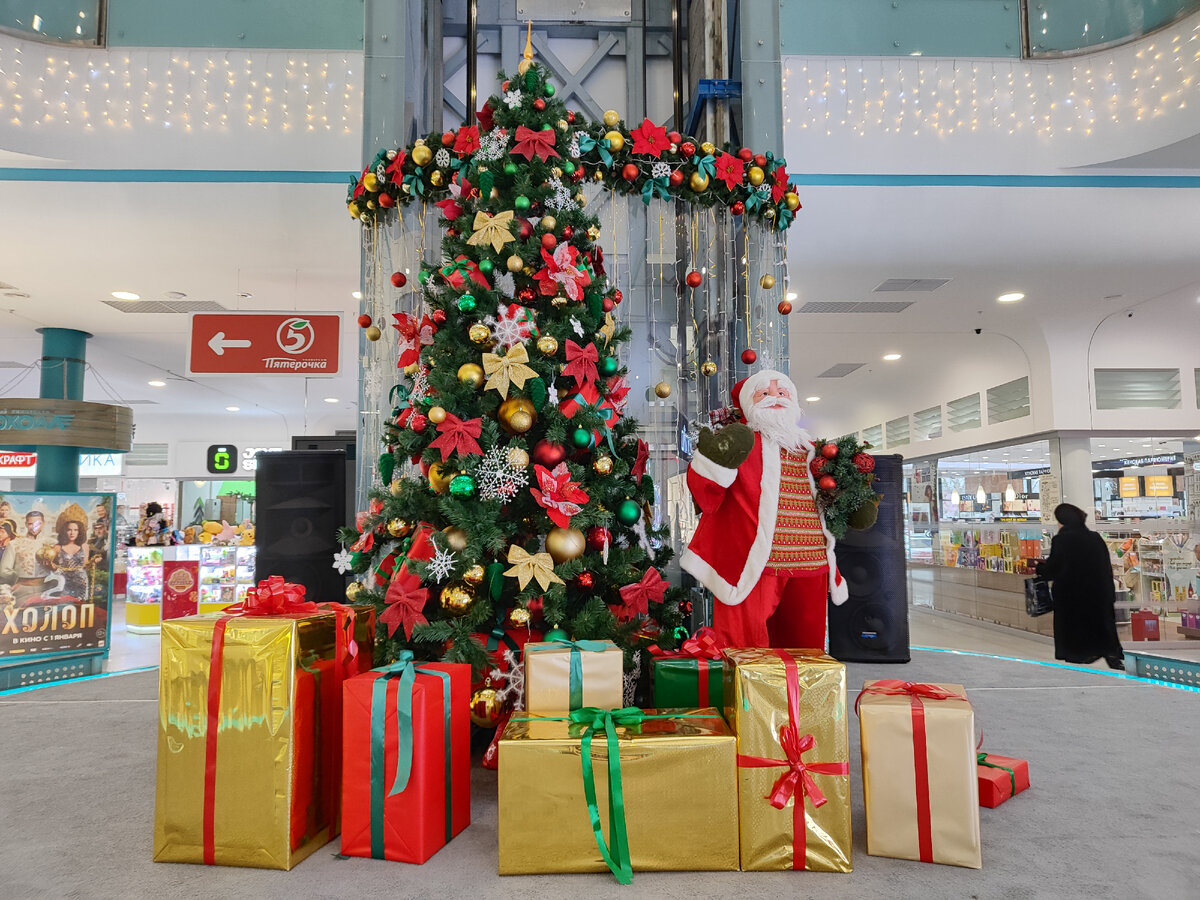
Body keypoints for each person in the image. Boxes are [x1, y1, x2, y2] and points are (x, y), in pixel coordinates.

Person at [681, 369, 847, 648]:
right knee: (743, 649)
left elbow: (836, 500)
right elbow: (706, 494)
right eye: (765, 394)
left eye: (782, 393)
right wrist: (713, 459)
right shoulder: (742, 444)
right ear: (751, 404)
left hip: (810, 565)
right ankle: (743, 694)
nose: (775, 398)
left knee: (806, 652)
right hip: (753, 564)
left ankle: (800, 694)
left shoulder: (816, 452)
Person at [1036, 503, 1124, 670]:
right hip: (1098, 594)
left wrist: (1040, 568)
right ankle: (1108, 652)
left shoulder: (1062, 540)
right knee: (1100, 625)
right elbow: (1106, 567)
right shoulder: (1095, 538)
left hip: (1073, 596)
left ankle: (1081, 658)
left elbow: (1054, 569)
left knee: (1076, 631)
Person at [0, 508, 56, 604]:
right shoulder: (14, 544)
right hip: (23, 590)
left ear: (43, 523)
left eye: (37, 524)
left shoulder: (51, 543)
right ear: (26, 524)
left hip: (47, 589)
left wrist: (53, 567)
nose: (34, 527)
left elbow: (60, 568)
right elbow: (4, 570)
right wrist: (19, 581)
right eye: (30, 524)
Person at [47, 505, 90, 602]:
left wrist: (93, 561)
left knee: (80, 610)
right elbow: (54, 568)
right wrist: (49, 564)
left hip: (81, 583)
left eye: (75, 530)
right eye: (69, 530)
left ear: (80, 532)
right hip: (62, 583)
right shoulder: (57, 547)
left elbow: (85, 565)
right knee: (62, 608)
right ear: (64, 531)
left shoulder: (84, 546)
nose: (72, 533)